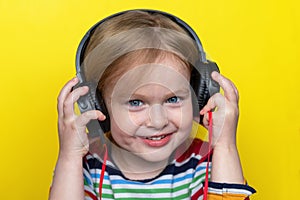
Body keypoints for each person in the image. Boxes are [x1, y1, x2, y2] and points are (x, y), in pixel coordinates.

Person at [49, 10, 256, 200]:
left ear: (197, 96)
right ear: (98, 105)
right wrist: (68, 158)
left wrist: (225, 146)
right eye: (136, 102)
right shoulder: (86, 168)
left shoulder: (207, 165)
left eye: (173, 99)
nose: (158, 121)